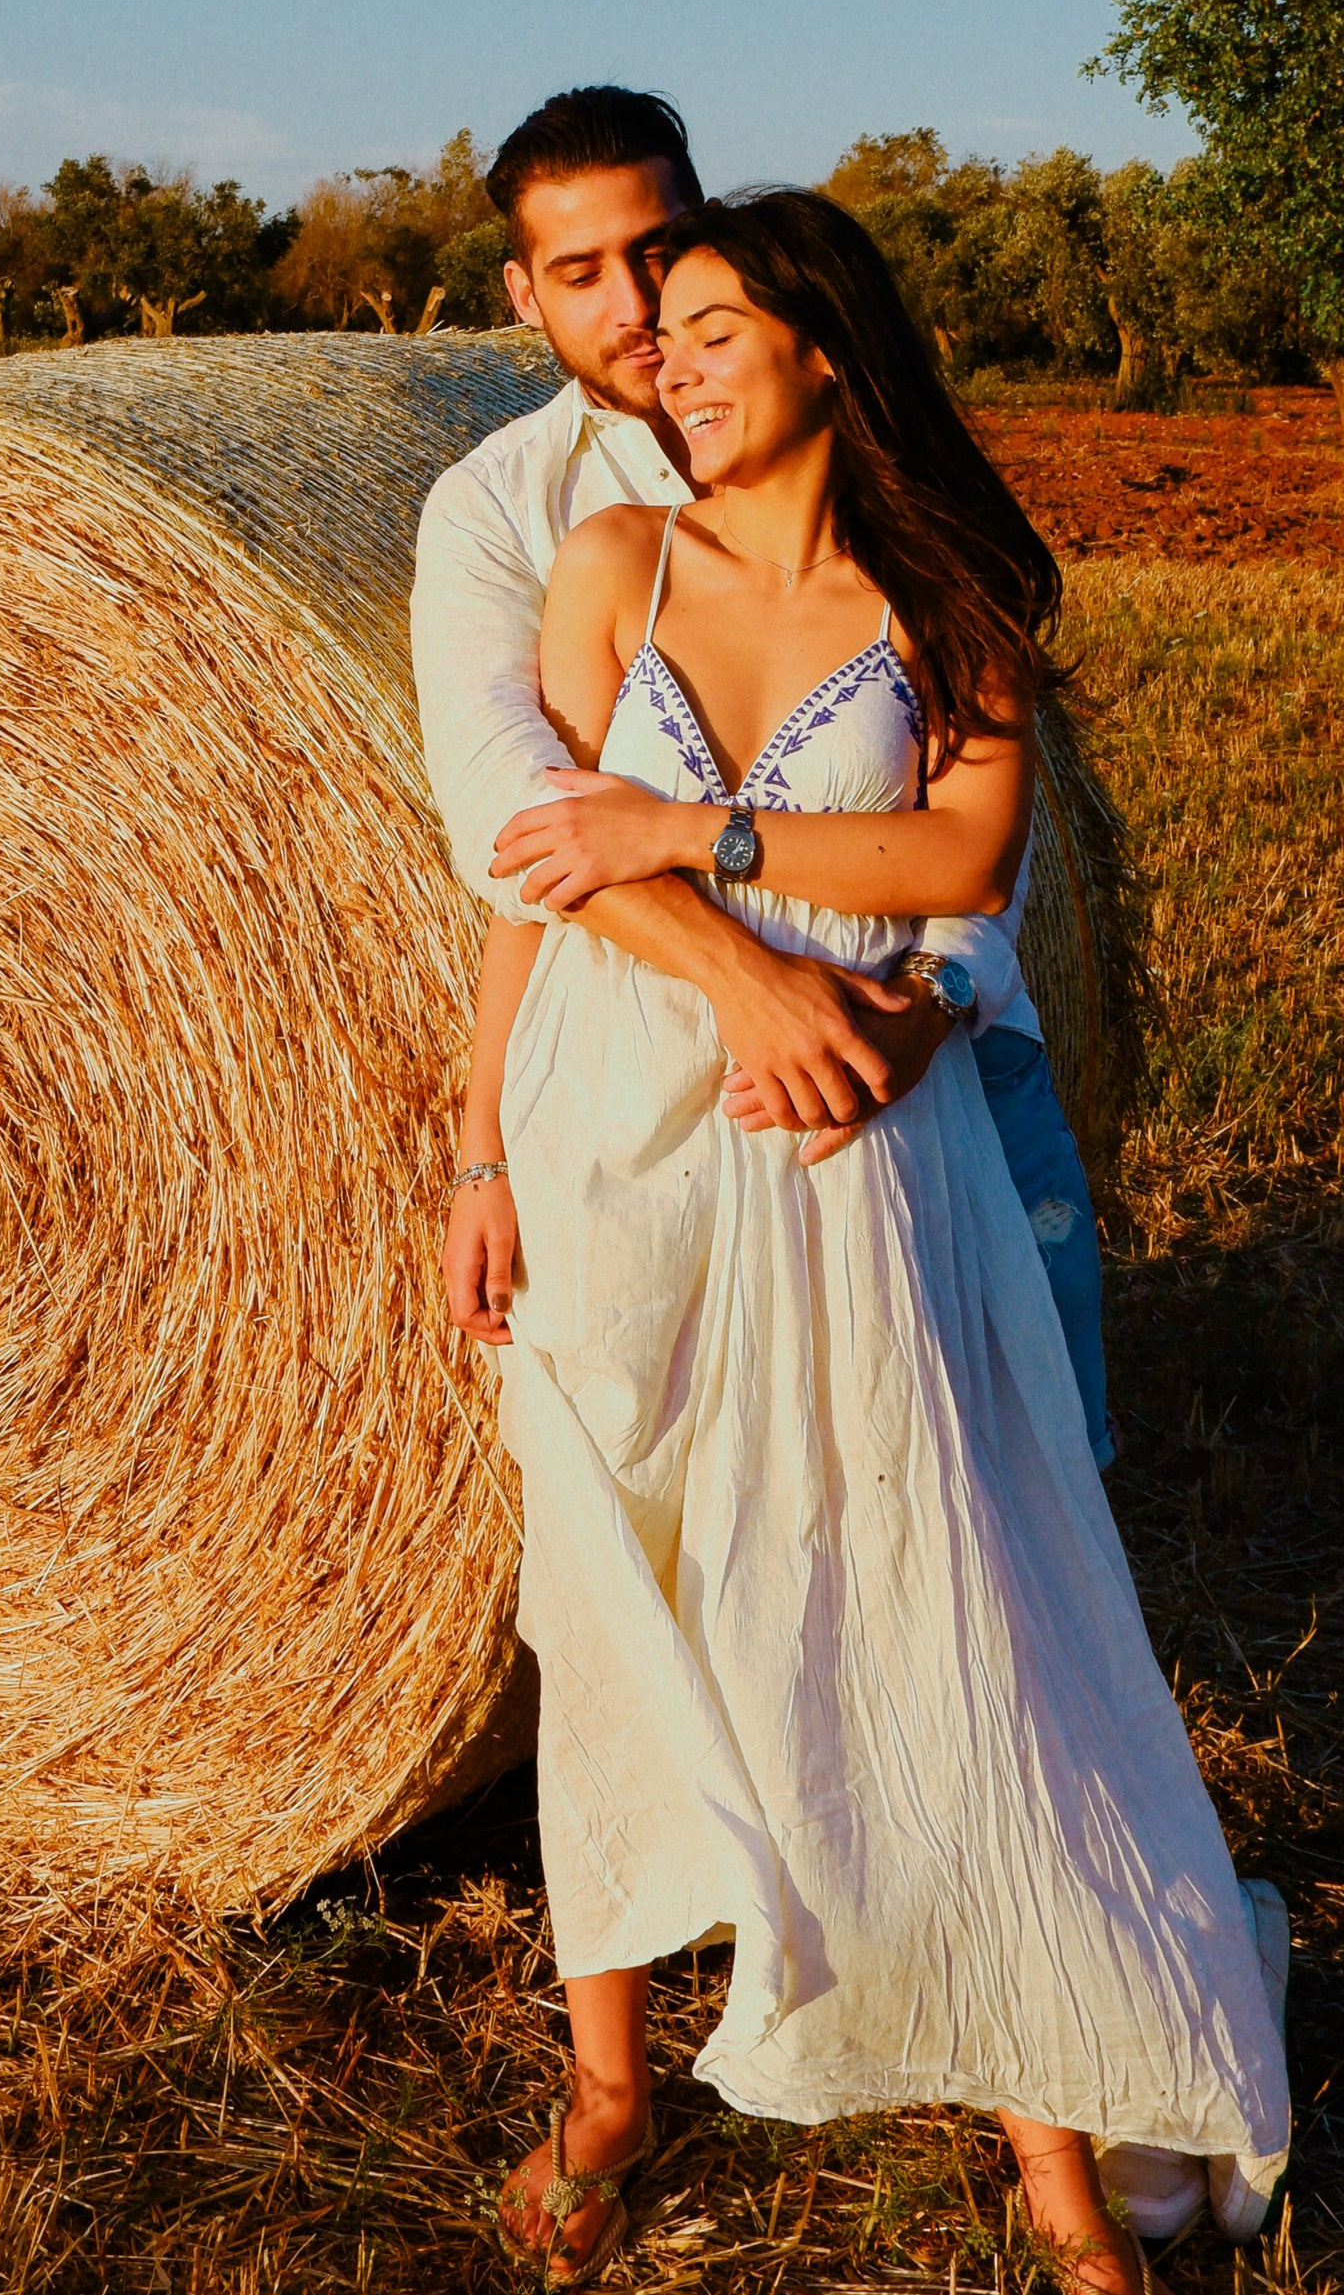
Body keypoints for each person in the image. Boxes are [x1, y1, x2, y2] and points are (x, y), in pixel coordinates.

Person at [438, 191, 1288, 2295]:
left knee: (941, 1614)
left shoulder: (944, 603)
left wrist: (692, 839)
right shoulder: (607, 564)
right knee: (610, 1599)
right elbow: (531, 885)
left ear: (824, 346)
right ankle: (615, 2089)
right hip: (603, 1152)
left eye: (716, 324)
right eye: (666, 328)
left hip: (848, 1167)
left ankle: (1060, 2187)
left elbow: (954, 866)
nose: (674, 358)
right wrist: (470, 1148)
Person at [412, 85, 1113, 1466]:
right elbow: (529, 826)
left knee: (934, 1481)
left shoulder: (905, 538)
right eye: (578, 272)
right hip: (640, 1090)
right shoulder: (519, 516)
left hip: (886, 1060)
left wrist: (928, 997)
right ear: (519, 292)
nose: (636, 312)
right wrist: (744, 987)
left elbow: (973, 844)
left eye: (661, 259)